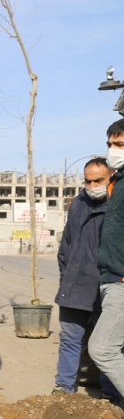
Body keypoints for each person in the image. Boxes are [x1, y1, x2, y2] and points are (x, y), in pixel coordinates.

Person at [53, 158, 113, 395]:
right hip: (73, 287)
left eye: (98, 180)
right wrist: (65, 275)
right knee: (69, 339)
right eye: (88, 180)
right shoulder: (78, 203)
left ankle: (112, 394)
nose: (92, 185)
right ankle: (64, 387)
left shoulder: (117, 206)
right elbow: (66, 245)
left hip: (105, 287)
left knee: (109, 347)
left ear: (111, 178)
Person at [88, 120, 124, 403]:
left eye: (120, 145)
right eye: (110, 144)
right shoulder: (117, 183)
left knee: (102, 349)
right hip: (110, 277)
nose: (113, 150)